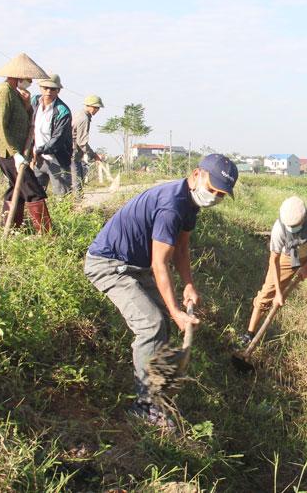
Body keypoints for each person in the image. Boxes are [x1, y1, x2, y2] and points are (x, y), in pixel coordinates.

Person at [83, 154, 237, 426]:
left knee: (160, 322)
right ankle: (144, 406)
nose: (213, 196)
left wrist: (188, 284)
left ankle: (157, 393)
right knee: (151, 324)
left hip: (134, 264)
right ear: (196, 175)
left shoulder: (189, 204)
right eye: (211, 189)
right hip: (109, 264)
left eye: (220, 194)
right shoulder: (172, 206)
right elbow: (159, 263)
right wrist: (176, 310)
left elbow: (181, 248)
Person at [239, 196, 307, 351]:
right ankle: (249, 334)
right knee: (266, 295)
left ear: (304, 218)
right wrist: (278, 293)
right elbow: (274, 261)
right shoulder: (279, 228)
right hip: (290, 255)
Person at [0, 53, 52, 232]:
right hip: (8, 152)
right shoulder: (3, 93)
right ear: (18, 76)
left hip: (18, 152)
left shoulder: (16, 94)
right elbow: (0, 127)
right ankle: (48, 236)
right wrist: (15, 154)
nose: (30, 81)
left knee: (17, 191)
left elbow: (26, 119)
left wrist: (26, 103)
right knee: (33, 191)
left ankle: (11, 229)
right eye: (28, 78)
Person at [30, 74, 74, 196]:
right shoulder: (34, 102)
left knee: (62, 197)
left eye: (53, 89)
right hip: (38, 160)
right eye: (45, 88)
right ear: (40, 88)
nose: (48, 91)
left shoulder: (63, 111)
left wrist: (39, 151)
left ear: (58, 90)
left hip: (57, 160)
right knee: (35, 196)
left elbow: (58, 140)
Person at [72, 94, 103, 195]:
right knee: (77, 185)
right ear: (89, 106)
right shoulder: (84, 118)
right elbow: (82, 143)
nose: (97, 110)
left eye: (98, 108)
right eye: (96, 107)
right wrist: (95, 156)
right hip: (72, 155)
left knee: (78, 181)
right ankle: (76, 207)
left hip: (73, 154)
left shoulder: (79, 114)